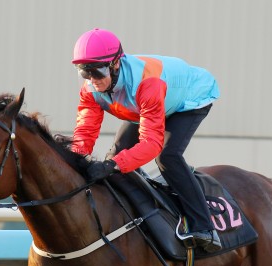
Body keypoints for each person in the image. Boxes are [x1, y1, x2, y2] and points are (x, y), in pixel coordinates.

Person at [70, 28, 222, 253]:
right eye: (85, 72)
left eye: (97, 71)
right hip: (142, 106)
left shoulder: (147, 83)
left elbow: (151, 144)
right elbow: (85, 131)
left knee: (166, 156)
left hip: (188, 99)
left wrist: (112, 166)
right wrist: (76, 158)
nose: (93, 80)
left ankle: (205, 228)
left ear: (116, 64)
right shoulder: (90, 89)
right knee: (115, 157)